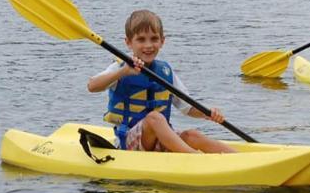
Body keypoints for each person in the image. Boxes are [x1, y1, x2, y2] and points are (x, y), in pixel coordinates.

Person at [87, 10, 235, 154]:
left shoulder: (165, 71)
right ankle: (195, 158)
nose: (148, 45)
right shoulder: (121, 67)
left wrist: (208, 113)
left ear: (162, 41)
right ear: (129, 43)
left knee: (192, 135)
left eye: (154, 39)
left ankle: (241, 158)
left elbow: (188, 108)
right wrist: (123, 72)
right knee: (154, 117)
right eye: (141, 39)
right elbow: (92, 86)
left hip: (158, 140)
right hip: (128, 143)